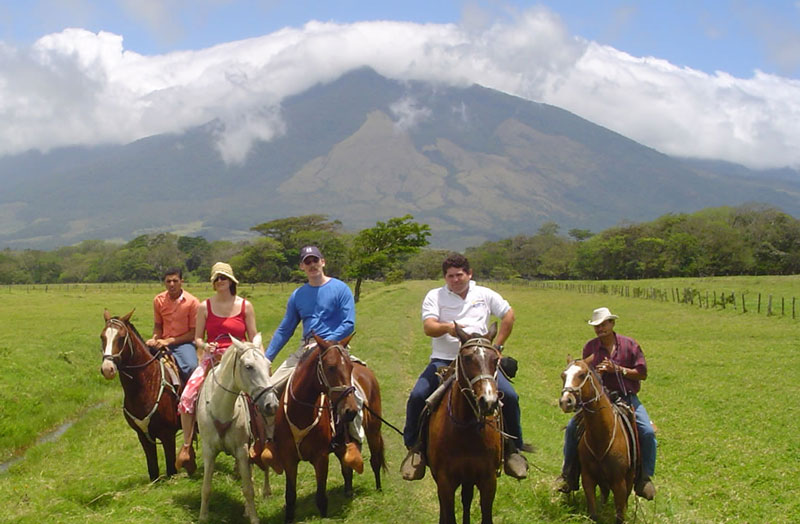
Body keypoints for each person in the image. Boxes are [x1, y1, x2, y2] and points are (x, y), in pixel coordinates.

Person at [401, 252, 532, 481]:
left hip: (479, 362)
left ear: (469, 274)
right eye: (450, 276)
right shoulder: (435, 296)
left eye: (459, 275)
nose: (455, 280)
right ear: (445, 277)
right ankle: (416, 449)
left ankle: (513, 450)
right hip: (444, 360)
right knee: (418, 395)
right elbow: (429, 327)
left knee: (510, 397)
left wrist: (497, 346)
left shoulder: (484, 294)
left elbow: (508, 315)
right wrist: (449, 329)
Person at [261, 245, 363, 471]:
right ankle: (271, 442)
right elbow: (285, 329)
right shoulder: (298, 295)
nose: (312, 265)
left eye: (315, 260)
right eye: (307, 262)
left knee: (353, 392)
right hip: (305, 350)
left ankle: (353, 442)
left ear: (323, 262)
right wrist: (267, 358)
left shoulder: (340, 289)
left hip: (335, 350)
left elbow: (348, 323)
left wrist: (325, 344)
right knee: (268, 390)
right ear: (302, 267)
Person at [557, 307, 657, 500]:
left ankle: (644, 477)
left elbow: (642, 373)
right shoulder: (590, 348)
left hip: (626, 397)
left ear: (612, 324)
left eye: (603, 324)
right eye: (596, 326)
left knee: (647, 431)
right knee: (572, 429)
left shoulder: (630, 345)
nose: (600, 329)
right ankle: (569, 475)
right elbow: (584, 374)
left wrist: (618, 369)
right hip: (598, 400)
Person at [175, 262, 260, 475]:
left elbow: (253, 336)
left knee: (260, 397)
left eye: (223, 277)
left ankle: (261, 443)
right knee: (187, 397)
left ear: (231, 281)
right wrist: (205, 346)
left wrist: (261, 360)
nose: (220, 281)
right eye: (216, 278)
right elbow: (197, 338)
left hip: (240, 360)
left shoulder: (245, 306)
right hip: (212, 359)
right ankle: (187, 446)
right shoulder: (205, 307)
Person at [145, 268, 199, 383]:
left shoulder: (192, 302)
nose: (171, 284)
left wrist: (169, 341)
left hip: (184, 343)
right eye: (168, 281)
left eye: (175, 281)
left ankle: (191, 396)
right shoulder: (159, 300)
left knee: (191, 367)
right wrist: (155, 339)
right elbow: (158, 325)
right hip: (162, 341)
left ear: (181, 281)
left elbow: (193, 333)